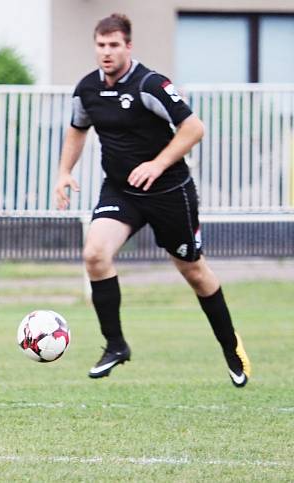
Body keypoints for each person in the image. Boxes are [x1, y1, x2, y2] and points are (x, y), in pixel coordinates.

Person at [53, 13, 251, 386]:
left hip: (169, 193)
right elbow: (77, 130)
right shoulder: (87, 89)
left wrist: (157, 164)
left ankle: (230, 346)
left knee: (193, 272)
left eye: (114, 45)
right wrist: (64, 172)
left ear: (128, 47)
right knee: (95, 254)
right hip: (121, 191)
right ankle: (115, 345)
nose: (107, 52)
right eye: (101, 45)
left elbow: (194, 128)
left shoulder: (151, 84)